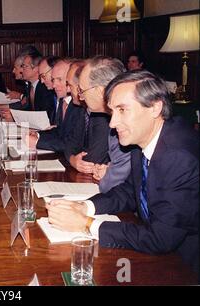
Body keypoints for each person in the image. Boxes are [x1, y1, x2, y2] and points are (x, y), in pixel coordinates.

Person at [46, 70, 199, 273]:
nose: (112, 123)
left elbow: (160, 238)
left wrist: (86, 224)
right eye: (112, 112)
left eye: (122, 110)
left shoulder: (179, 156)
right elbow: (129, 191)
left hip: (184, 266)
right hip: (157, 253)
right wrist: (85, 207)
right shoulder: (143, 139)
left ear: (155, 107)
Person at [27, 59, 85, 153]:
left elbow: (75, 144)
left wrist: (37, 142)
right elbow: (60, 131)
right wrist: (38, 135)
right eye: (53, 80)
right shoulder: (64, 100)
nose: (54, 85)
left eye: (59, 79)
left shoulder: (80, 105)